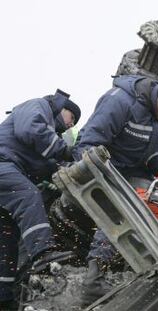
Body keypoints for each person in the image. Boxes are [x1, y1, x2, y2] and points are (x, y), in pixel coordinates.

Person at [72, 75, 158, 304]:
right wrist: (114, 182)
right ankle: (94, 280)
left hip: (130, 175)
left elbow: (147, 151)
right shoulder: (120, 102)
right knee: (121, 206)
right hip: (100, 174)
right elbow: (86, 145)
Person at [0, 89, 81, 310]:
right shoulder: (39, 106)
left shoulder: (43, 136)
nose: (71, 125)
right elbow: (30, 129)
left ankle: (4, 296)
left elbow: (42, 166)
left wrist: (63, 171)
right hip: (2, 163)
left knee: (7, 236)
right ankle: (43, 254)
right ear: (63, 108)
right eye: (72, 118)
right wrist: (65, 151)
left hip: (8, 170)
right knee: (27, 195)